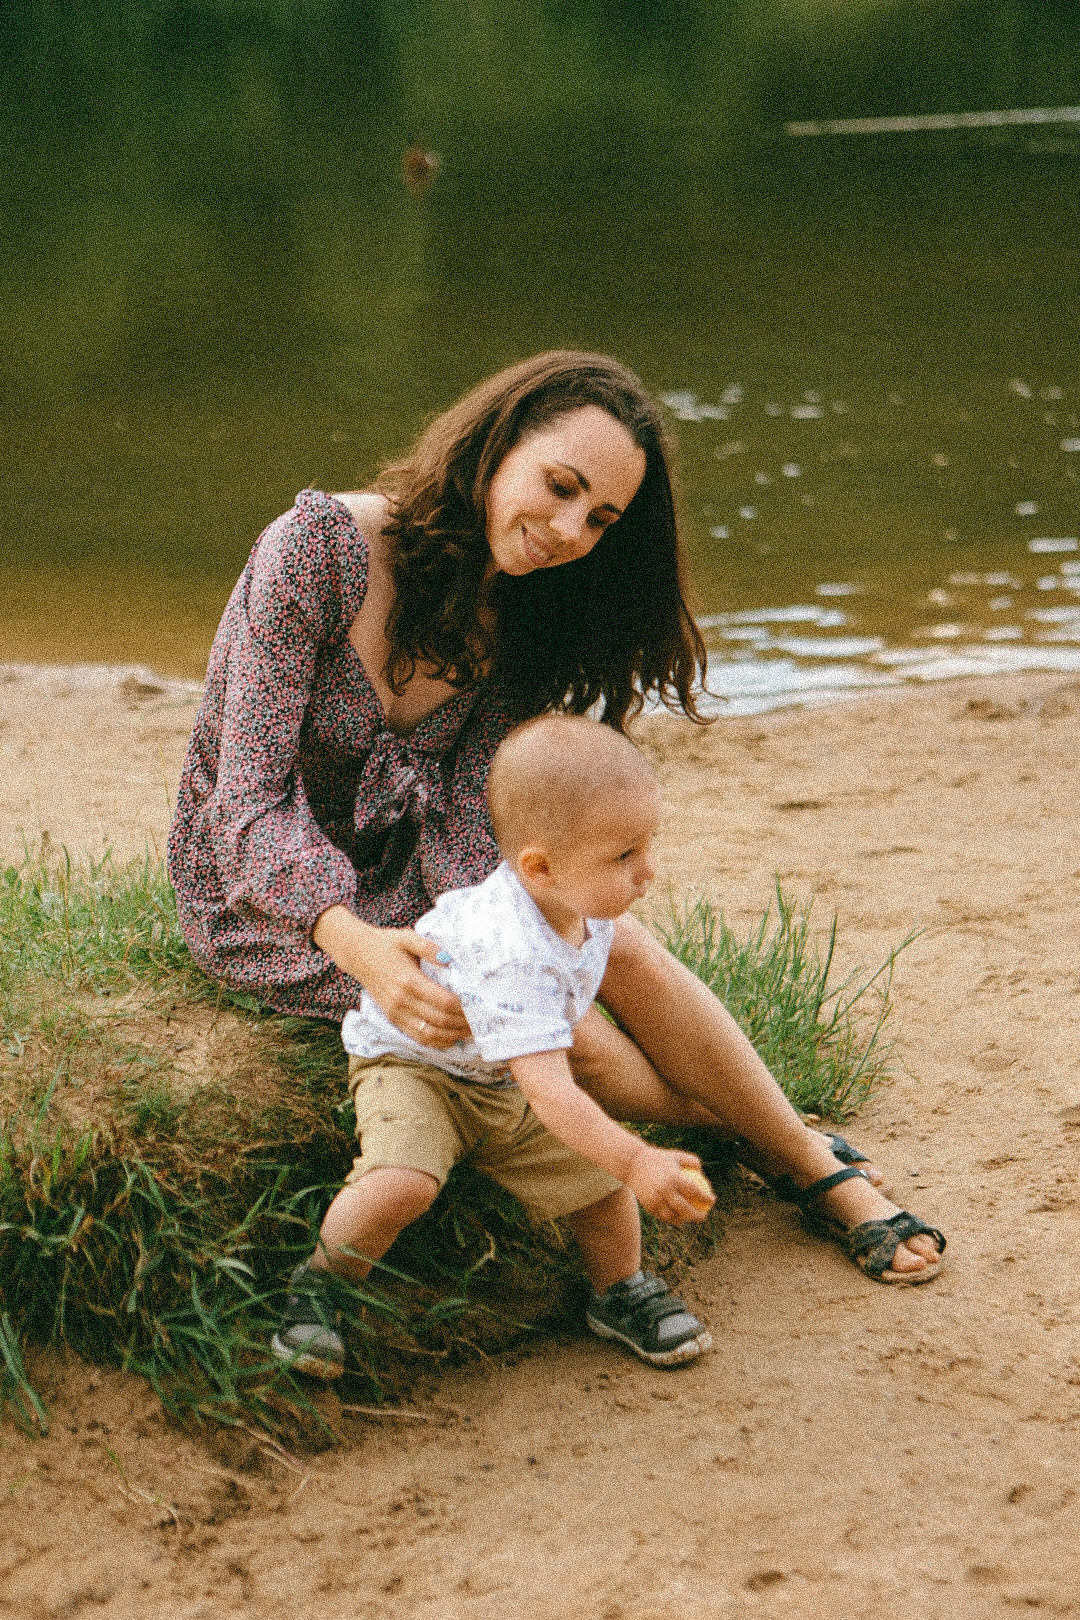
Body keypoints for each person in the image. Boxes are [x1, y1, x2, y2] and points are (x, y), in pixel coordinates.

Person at [167, 349, 945, 1296]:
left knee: (612, 945)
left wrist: (505, 933)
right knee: (563, 1034)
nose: (570, 529)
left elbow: (467, 825)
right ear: (496, 447)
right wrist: (362, 947)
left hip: (416, 882)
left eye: (602, 518)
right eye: (561, 486)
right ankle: (772, 1143)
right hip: (267, 903)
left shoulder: (526, 615)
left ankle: (811, 1169)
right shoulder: (316, 552)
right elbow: (241, 805)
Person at [273, 715, 716, 1378]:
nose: (648, 871)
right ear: (541, 866)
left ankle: (618, 1288)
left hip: (497, 1074)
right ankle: (319, 1287)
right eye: (624, 856)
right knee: (402, 1184)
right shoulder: (508, 949)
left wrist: (613, 1169)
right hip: (417, 1067)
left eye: (648, 845)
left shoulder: (577, 903)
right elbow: (554, 1092)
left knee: (597, 1189)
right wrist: (636, 1159)